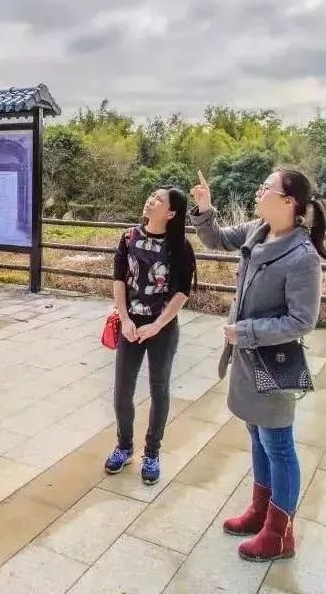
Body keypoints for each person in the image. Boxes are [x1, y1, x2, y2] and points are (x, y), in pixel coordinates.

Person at [190, 168, 325, 562]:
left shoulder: (302, 257)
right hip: (248, 360)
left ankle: (280, 534)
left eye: (266, 187)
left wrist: (245, 331)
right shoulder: (258, 229)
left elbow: (302, 321)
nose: (258, 191)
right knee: (255, 433)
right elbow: (215, 238)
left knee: (278, 445)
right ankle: (260, 512)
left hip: (273, 361)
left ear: (289, 202)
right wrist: (204, 207)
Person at [105, 186, 196, 484]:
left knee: (159, 390)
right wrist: (125, 318)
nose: (150, 200)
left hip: (162, 328)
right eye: (151, 196)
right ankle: (124, 446)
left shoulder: (180, 247)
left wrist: (157, 325)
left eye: (159, 199)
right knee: (122, 391)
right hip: (131, 326)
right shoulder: (129, 237)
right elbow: (119, 279)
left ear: (171, 213)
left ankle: (152, 453)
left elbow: (182, 292)